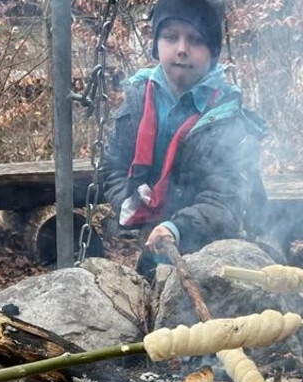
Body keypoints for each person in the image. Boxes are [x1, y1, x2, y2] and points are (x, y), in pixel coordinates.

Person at [101, 0, 266, 278]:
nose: (181, 49)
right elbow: (113, 166)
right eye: (170, 37)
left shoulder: (228, 120)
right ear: (156, 44)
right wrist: (129, 201)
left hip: (213, 245)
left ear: (213, 52)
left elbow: (225, 201)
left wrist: (177, 228)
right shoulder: (138, 103)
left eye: (196, 40)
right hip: (156, 239)